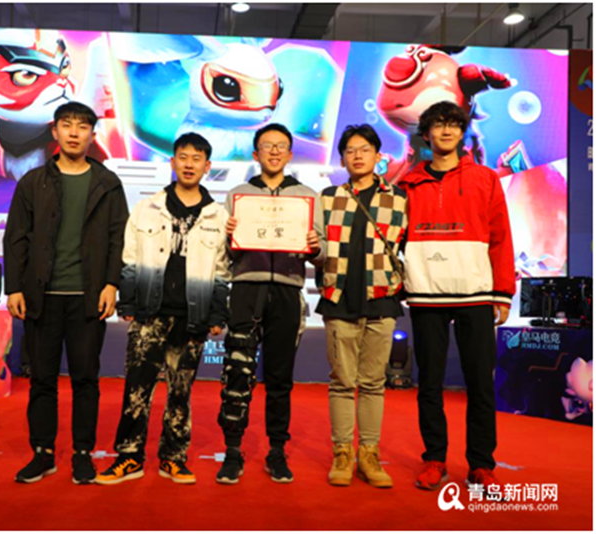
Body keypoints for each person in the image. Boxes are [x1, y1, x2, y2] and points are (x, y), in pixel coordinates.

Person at [4, 102, 129, 485]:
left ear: (92, 133)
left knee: (85, 379)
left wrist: (112, 284)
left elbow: (118, 238)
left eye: (82, 126)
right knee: (42, 378)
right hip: (42, 295)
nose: (74, 133)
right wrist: (14, 287)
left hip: (88, 297)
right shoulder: (33, 182)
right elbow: (16, 238)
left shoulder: (107, 183)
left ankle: (82, 453)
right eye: (67, 125)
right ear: (54, 131)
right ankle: (42, 453)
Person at [95, 132, 230, 485]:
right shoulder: (147, 207)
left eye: (196, 159)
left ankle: (173, 457)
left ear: (207, 166)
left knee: (180, 391)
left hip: (193, 315)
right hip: (149, 312)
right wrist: (127, 301)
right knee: (137, 388)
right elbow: (129, 257)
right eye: (183, 157)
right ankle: (129, 457)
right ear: (172, 162)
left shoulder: (218, 215)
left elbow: (221, 271)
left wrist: (217, 314)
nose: (189, 164)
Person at [400, 101, 515, 493]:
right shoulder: (408, 183)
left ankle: (481, 465)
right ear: (426, 133)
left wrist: (503, 293)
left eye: (453, 124)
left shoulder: (485, 179)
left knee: (480, 384)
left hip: (476, 293)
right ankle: (434, 460)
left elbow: (500, 237)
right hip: (425, 293)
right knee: (429, 383)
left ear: (463, 131)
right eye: (438, 125)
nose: (446, 131)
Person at [217, 123, 325, 484]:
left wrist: (315, 246)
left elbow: (322, 254)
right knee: (237, 371)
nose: (274, 151)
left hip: (287, 291)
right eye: (267, 145)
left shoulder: (308, 196)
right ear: (255, 153)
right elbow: (226, 252)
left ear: (290, 154)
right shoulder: (238, 195)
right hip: (246, 288)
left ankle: (277, 450)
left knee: (280, 376)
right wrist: (230, 237)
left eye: (281, 146)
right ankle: (233, 450)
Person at [317, 124, 408, 488]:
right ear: (342, 159)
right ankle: (342, 453)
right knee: (341, 382)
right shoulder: (327, 198)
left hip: (382, 299)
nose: (357, 155)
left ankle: (369, 454)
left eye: (364, 149)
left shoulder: (399, 198)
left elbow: (410, 247)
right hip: (338, 298)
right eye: (350, 150)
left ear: (377, 156)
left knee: (373, 383)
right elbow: (315, 249)